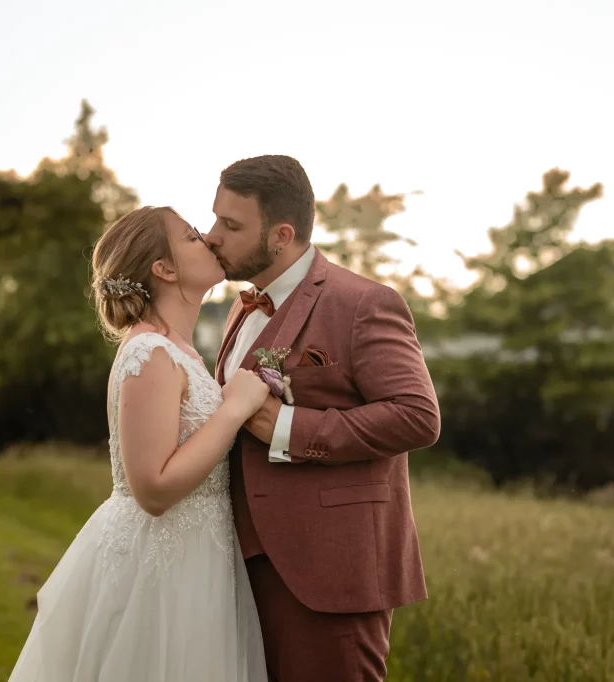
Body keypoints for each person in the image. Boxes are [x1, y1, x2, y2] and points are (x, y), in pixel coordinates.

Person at [8, 205, 269, 681]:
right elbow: (151, 488)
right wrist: (234, 408)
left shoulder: (181, 350)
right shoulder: (149, 351)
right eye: (192, 237)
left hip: (200, 558)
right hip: (159, 568)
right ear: (164, 269)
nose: (209, 240)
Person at [207, 155, 441, 682]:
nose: (212, 235)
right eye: (215, 217)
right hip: (240, 564)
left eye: (231, 225)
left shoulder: (364, 303)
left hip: (329, 569)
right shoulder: (241, 308)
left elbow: (418, 416)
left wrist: (288, 428)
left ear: (280, 235)